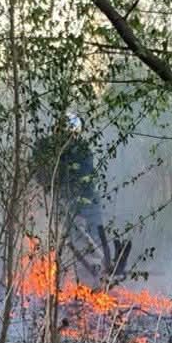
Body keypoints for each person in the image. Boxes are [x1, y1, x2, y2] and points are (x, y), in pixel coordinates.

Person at [32, 112, 108, 280]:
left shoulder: (82, 151)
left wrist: (76, 208)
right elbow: (40, 175)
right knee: (64, 241)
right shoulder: (45, 148)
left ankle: (99, 270)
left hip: (84, 203)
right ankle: (74, 274)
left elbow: (85, 182)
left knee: (92, 237)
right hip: (56, 203)